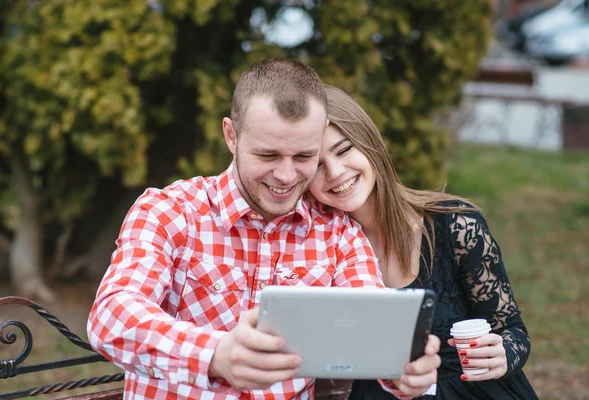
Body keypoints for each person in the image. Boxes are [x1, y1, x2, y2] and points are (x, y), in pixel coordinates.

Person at [87, 59, 440, 400]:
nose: (286, 177)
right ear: (231, 136)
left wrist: (404, 369)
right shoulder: (171, 210)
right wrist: (215, 354)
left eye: (304, 157)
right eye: (268, 156)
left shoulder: (339, 235)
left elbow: (372, 326)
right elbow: (111, 314)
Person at [310, 85, 538, 400]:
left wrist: (504, 354)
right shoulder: (315, 250)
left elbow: (513, 331)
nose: (335, 172)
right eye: (316, 164)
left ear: (369, 144)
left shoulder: (456, 226)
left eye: (344, 149)